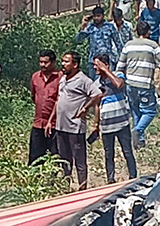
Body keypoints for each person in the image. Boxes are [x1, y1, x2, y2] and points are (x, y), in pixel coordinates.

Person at [115, 21, 160, 147]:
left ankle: (139, 142)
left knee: (136, 112)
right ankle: (138, 130)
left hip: (130, 84)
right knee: (150, 111)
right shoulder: (152, 46)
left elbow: (120, 66)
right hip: (145, 85)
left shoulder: (128, 45)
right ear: (148, 32)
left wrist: (121, 79)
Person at [53, 52, 102, 190]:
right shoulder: (63, 78)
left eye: (66, 62)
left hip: (75, 126)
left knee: (79, 160)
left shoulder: (83, 80)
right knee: (64, 159)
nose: (63, 64)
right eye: (62, 61)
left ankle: (82, 187)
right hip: (61, 126)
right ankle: (66, 185)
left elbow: (97, 94)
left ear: (75, 64)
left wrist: (85, 108)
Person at [95, 56, 137, 182]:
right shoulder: (96, 83)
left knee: (127, 152)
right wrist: (96, 124)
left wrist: (106, 71)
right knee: (109, 154)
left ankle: (133, 177)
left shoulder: (118, 75)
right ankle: (111, 180)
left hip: (122, 123)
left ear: (106, 64)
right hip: (106, 125)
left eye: (97, 65)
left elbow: (119, 84)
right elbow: (96, 104)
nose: (95, 68)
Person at [28, 49, 63, 166]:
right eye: (41, 62)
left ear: (53, 62)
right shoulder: (35, 77)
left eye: (46, 62)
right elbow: (34, 97)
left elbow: (59, 100)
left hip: (55, 124)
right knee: (35, 157)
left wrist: (51, 120)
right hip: (38, 123)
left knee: (55, 156)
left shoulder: (60, 78)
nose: (43, 65)